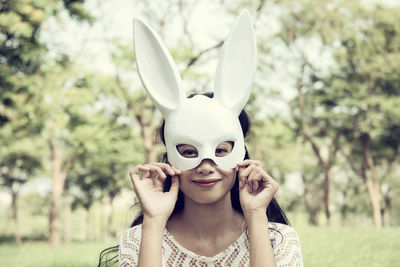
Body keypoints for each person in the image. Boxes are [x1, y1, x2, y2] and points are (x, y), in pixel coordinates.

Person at [102, 10, 303, 267]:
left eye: (221, 151)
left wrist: (256, 217)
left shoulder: (279, 240)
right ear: (168, 161)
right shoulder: (138, 240)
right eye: (188, 152)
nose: (206, 166)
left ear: (241, 157)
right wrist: (153, 222)